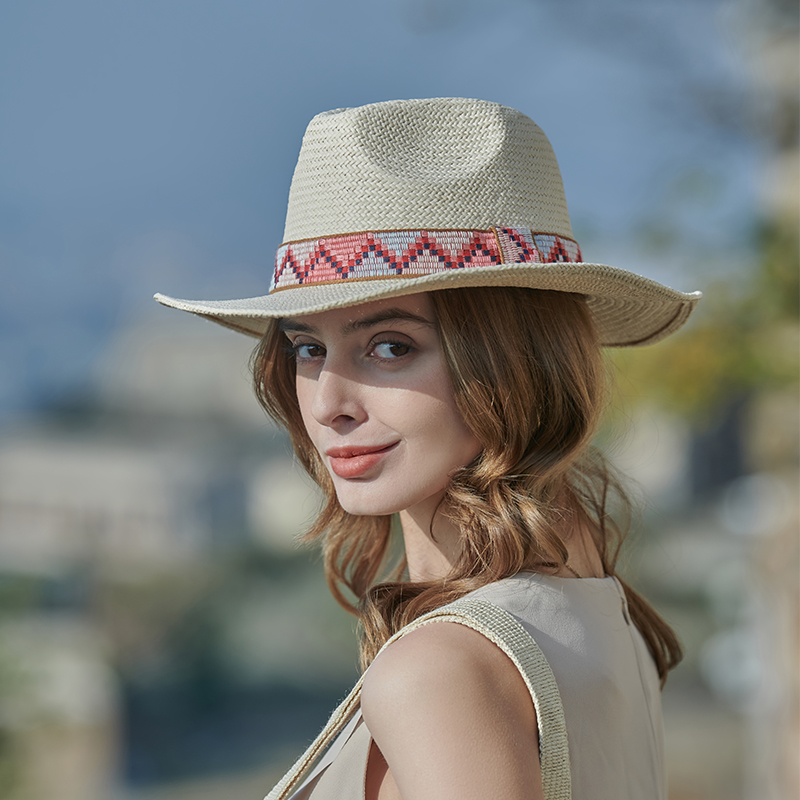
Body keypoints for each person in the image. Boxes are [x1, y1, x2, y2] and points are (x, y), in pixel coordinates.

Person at [155, 97, 701, 800]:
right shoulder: (594, 602)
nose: (327, 404)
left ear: (512, 361)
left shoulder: (439, 672)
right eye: (308, 348)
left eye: (390, 347)